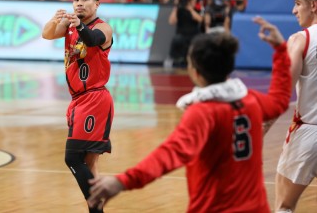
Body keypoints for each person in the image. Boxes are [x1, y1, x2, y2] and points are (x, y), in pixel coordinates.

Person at [87, 17, 292, 212]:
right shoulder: (250, 99)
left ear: (195, 71)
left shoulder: (203, 113)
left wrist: (124, 180)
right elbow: (280, 101)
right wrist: (280, 50)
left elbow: (169, 154)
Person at [42, 0, 114, 213]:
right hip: (78, 100)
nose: (79, 3)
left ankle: (96, 210)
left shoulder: (104, 27)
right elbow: (46, 34)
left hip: (94, 98)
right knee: (90, 162)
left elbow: (92, 39)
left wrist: (79, 24)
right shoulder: (70, 25)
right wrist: (56, 20)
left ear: (97, 3)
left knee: (72, 157)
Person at [273, 0, 317, 213]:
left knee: (284, 206)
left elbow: (281, 94)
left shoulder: (300, 39)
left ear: (313, 5)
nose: (293, 10)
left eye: (297, 4)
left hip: (308, 133)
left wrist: (260, 131)